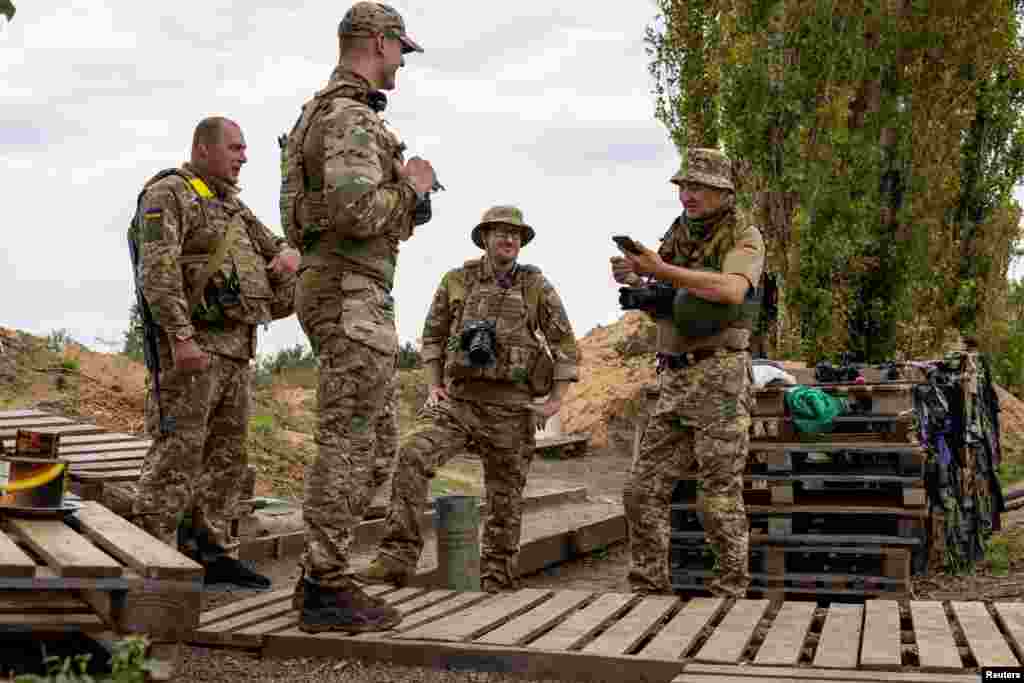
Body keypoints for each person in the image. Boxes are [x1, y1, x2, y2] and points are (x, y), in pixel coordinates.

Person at [279, 1, 436, 634]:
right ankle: (325, 585)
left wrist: (404, 199)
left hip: (345, 288)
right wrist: (414, 190)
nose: (402, 62)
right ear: (376, 42)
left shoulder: (320, 114)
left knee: (370, 447)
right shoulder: (348, 117)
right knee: (349, 444)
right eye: (400, 49)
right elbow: (356, 213)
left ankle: (323, 574)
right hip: (350, 291)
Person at [358, 205, 579, 593]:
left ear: (521, 242)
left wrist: (554, 401)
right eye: (500, 232)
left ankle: (497, 578)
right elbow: (432, 335)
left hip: (512, 407)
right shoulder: (456, 280)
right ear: (485, 238)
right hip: (458, 402)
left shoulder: (536, 286)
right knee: (412, 455)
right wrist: (432, 384)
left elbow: (564, 343)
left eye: (515, 234)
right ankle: (396, 558)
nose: (508, 239)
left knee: (505, 497)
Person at [130, 116, 300, 589]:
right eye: (235, 147)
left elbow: (278, 246)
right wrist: (181, 338)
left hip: (235, 354)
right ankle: (150, 559)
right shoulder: (170, 194)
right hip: (192, 352)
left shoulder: (232, 207)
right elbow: (157, 272)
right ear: (203, 150)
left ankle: (213, 554)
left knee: (226, 462)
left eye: (245, 149)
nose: (244, 156)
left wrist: (287, 254)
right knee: (175, 458)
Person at [613, 148, 765, 597]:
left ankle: (729, 593)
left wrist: (662, 271)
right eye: (682, 186)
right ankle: (647, 589)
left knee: (717, 495)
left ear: (723, 190)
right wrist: (638, 281)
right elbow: (668, 288)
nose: (687, 195)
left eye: (696, 186)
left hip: (719, 376)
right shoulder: (679, 233)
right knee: (642, 489)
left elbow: (732, 289)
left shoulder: (744, 234)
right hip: (675, 377)